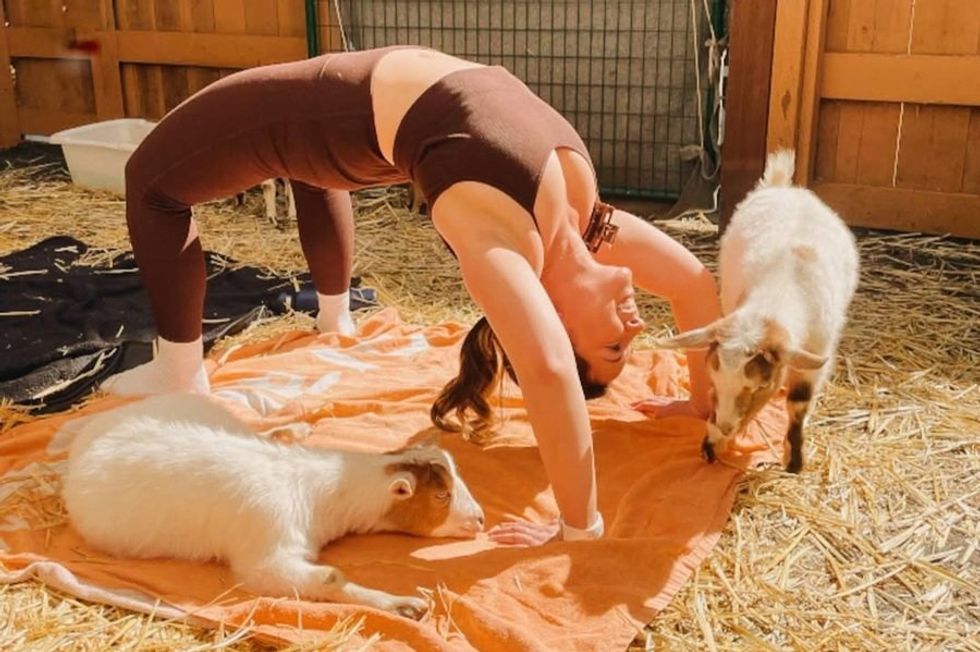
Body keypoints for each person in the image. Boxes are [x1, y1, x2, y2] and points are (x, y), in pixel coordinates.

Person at [105, 46, 721, 545]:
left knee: (152, 181)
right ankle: (320, 324)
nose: (636, 327)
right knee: (268, 173)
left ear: (552, 315)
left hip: (332, 120)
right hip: (351, 121)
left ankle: (182, 378)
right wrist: (701, 405)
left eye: (612, 344)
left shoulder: (499, 240)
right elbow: (695, 284)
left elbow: (549, 368)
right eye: (627, 345)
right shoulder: (587, 225)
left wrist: (578, 527)